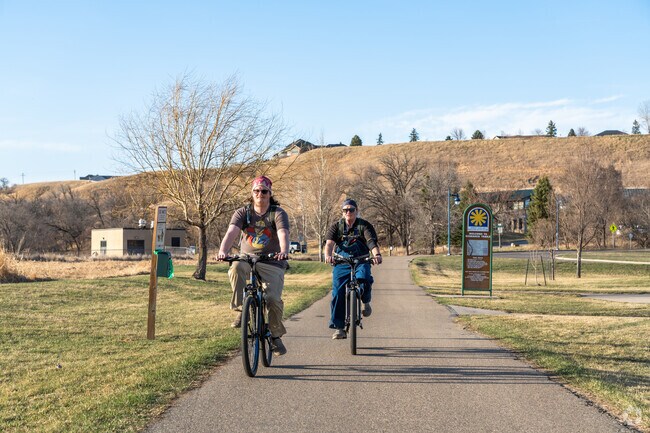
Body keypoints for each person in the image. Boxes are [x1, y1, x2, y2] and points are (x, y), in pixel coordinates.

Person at [217, 175, 290, 355]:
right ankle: (243, 308)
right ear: (252, 193)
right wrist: (223, 251)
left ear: (270, 193)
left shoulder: (277, 213)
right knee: (235, 267)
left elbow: (283, 233)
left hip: (271, 261)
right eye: (256, 191)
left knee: (272, 299)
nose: (260, 194)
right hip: (247, 258)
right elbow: (231, 232)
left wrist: (284, 250)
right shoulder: (243, 212)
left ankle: (275, 336)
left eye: (264, 191)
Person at [324, 199, 382, 339]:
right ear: (342, 212)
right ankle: (339, 328)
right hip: (341, 262)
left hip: (361, 260)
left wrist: (377, 255)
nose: (348, 212)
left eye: (351, 210)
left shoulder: (364, 226)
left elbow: (371, 242)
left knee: (364, 279)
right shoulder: (336, 226)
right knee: (337, 292)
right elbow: (329, 243)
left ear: (357, 211)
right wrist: (328, 255)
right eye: (345, 210)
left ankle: (365, 300)